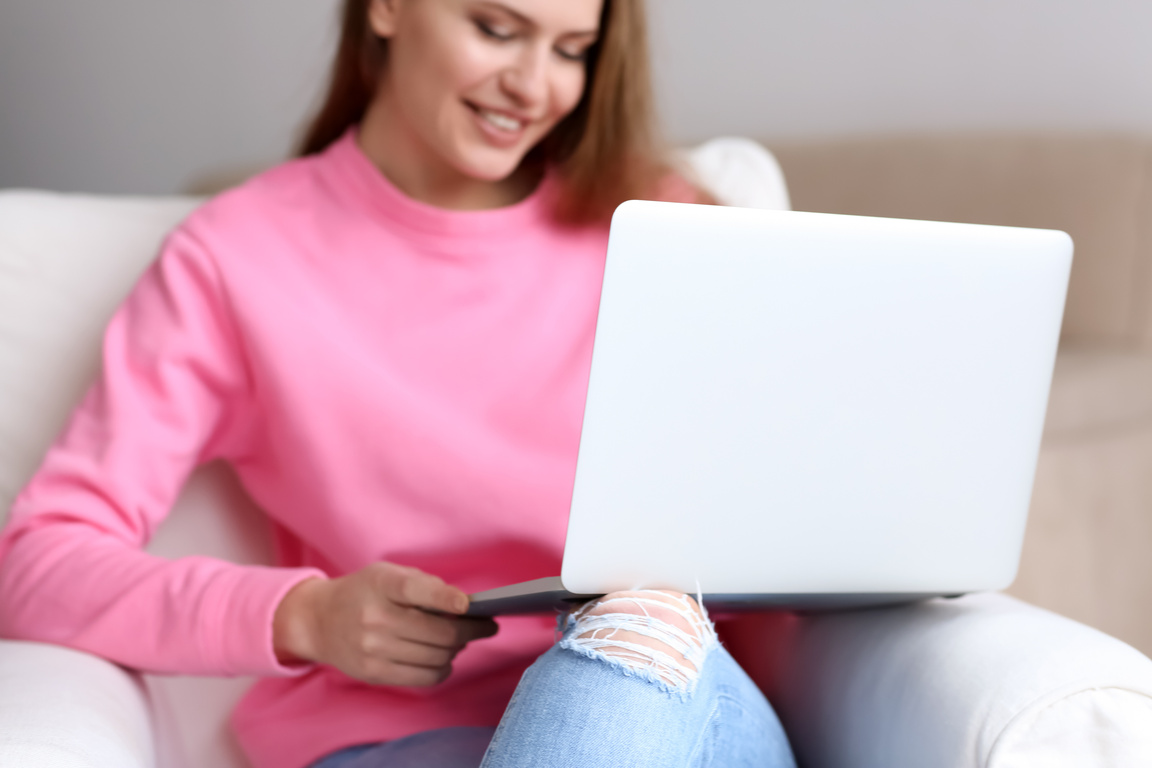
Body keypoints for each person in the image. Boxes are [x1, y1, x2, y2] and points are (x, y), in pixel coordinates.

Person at [0, 1, 797, 766]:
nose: (533, 85)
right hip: (396, 742)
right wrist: (303, 615)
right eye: (496, 28)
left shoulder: (662, 221)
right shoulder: (236, 261)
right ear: (385, 6)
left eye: (570, 50)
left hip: (679, 705)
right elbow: (38, 562)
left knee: (637, 628)